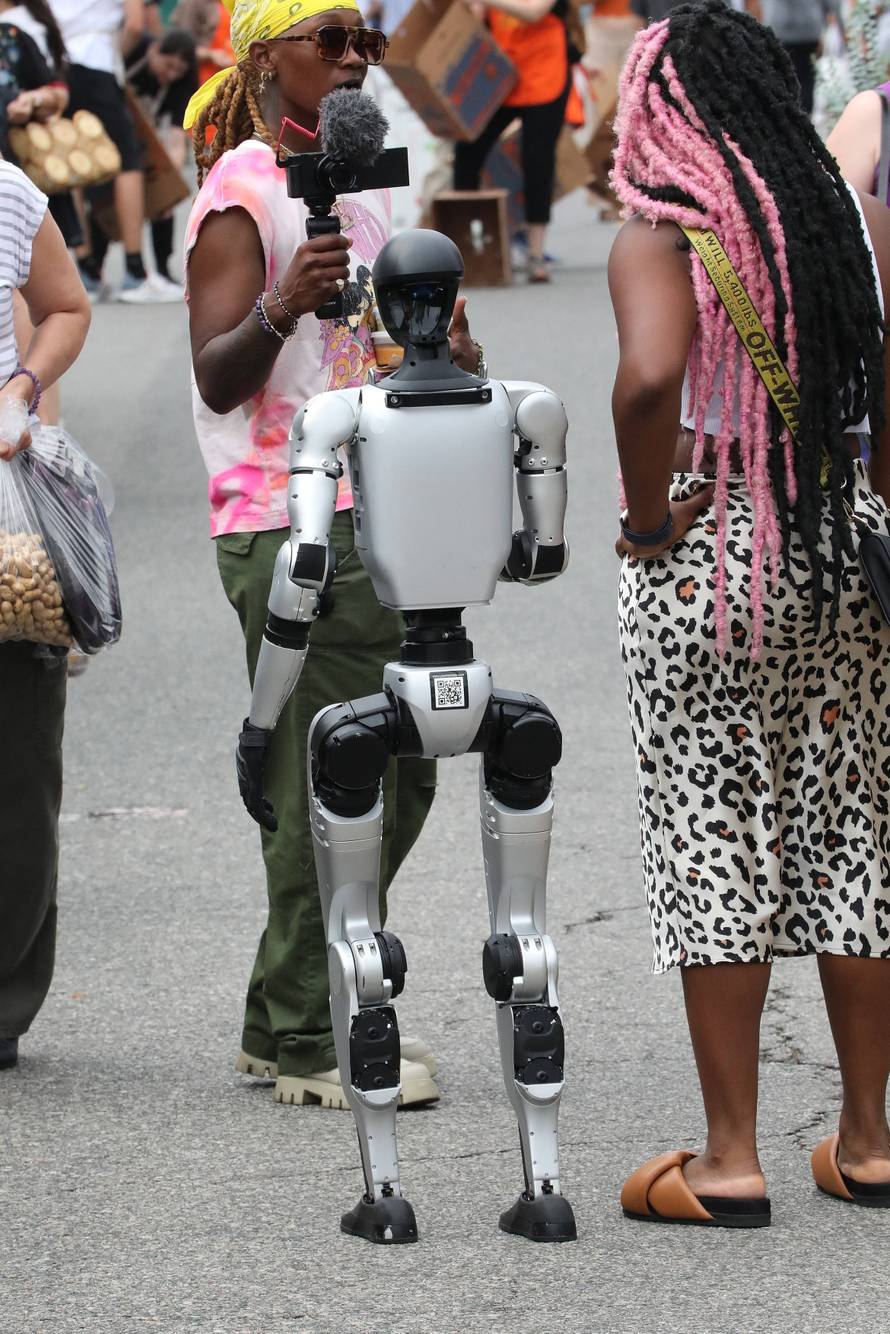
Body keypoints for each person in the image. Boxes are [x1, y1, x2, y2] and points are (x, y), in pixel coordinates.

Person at [608, 1, 890, 1226]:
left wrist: (647, 518)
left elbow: (648, 380)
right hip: (845, 543)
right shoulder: (855, 219)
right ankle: (869, 1138)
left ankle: (729, 1156)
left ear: (657, 112)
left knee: (714, 824)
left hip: (719, 545)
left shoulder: (662, 235)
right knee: (853, 831)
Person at [184, 0, 481, 1108]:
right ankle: (314, 1032)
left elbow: (381, 343)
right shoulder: (241, 193)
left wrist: (449, 349)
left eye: (369, 43)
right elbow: (216, 374)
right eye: (334, 40)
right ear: (268, 57)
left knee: (393, 766)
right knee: (347, 771)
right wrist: (276, 305)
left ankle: (282, 1012)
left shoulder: (372, 186)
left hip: (393, 502)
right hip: (289, 516)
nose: (359, 60)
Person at [0, 158, 92, 1070]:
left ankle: (4, 999)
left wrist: (24, 388)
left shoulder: (9, 191)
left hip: (4, 513)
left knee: (20, 764)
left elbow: (65, 305)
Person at [49, 0, 179, 302]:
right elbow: (135, 24)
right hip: (97, 60)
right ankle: (135, 271)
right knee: (127, 161)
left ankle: (86, 270)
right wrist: (114, 58)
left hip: (57, 63)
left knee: (74, 161)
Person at [452, 0, 572, 283]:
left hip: (544, 72)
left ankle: (536, 254)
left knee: (538, 160)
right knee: (468, 149)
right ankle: (463, 247)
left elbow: (534, 11)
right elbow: (477, 17)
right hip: (501, 73)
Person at [760, 0, 838, 114]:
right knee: (806, 82)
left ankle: (787, 118)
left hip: (779, 28)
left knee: (781, 80)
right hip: (808, 29)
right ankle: (804, 120)